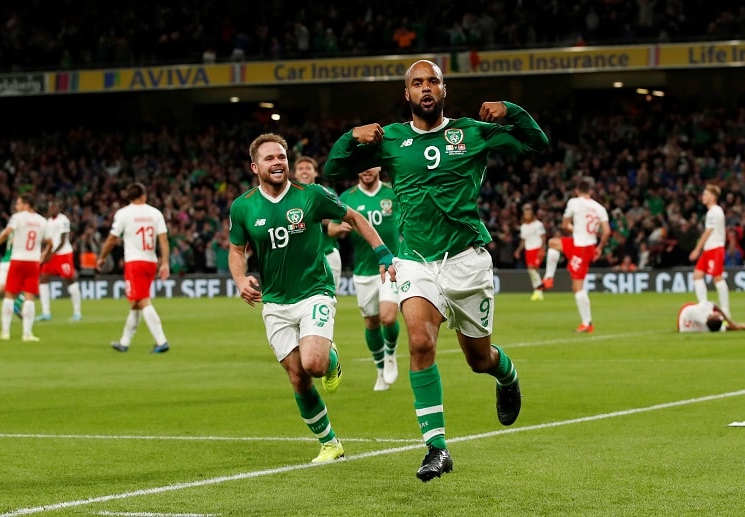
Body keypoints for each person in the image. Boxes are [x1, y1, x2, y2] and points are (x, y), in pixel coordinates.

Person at [324, 59, 548, 482]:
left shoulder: (471, 132)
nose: (425, 88)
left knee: (479, 360)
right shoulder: (390, 139)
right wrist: (349, 139)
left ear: (444, 91)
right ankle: (436, 446)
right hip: (414, 261)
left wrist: (512, 111)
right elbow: (334, 170)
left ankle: (507, 376)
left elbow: (536, 144)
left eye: (433, 82)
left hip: (467, 261)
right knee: (419, 342)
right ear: (405, 94)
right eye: (416, 83)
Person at [228, 133, 395, 464]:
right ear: (254, 166)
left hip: (314, 291)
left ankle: (330, 357)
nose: (277, 163)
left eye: (281, 157)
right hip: (274, 302)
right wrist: (239, 277)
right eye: (269, 159)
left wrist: (382, 251)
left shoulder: (312, 195)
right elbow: (236, 249)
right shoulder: (243, 206)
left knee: (314, 364)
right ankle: (330, 443)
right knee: (298, 376)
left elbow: (354, 217)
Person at [329, 166, 402, 392]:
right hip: (363, 270)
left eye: (370, 166)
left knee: (388, 318)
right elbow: (331, 227)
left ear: (379, 167)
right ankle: (380, 370)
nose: (366, 171)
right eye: (360, 167)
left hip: (391, 265)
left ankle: (390, 354)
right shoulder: (347, 197)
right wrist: (337, 229)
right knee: (371, 322)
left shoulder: (393, 193)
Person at [96, 183, 171, 354]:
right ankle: (124, 342)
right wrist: (165, 262)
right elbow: (164, 240)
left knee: (142, 300)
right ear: (143, 195)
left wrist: (102, 257)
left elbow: (111, 239)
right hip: (150, 262)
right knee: (136, 302)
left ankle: (161, 340)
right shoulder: (155, 213)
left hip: (134, 262)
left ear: (129, 197)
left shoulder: (123, 214)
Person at [542, 176, 610, 333]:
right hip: (586, 245)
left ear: (577, 191)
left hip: (582, 247)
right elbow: (606, 232)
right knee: (553, 242)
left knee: (577, 287)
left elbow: (565, 225)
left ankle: (587, 323)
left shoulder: (573, 202)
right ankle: (548, 278)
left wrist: (577, 229)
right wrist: (600, 247)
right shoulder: (600, 208)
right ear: (591, 191)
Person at [0, 194, 51, 342]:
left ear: (27, 204)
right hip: (33, 261)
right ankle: (27, 334)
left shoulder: (17, 217)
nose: (16, 207)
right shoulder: (42, 220)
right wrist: (44, 255)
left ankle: (5, 332)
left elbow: (7, 232)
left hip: (17, 259)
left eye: (19, 204)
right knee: (29, 297)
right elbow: (50, 242)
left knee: (10, 295)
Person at [293, 156, 343, 291]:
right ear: (295, 173)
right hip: (300, 257)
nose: (304, 171)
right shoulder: (289, 196)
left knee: (330, 299)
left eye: (308, 168)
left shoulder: (328, 193)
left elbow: (337, 221)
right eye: (300, 168)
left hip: (327, 253)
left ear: (316, 172)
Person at [35, 201, 82, 322]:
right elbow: (47, 240)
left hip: (63, 254)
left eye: (54, 207)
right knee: (43, 279)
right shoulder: (48, 221)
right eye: (50, 207)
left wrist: (52, 253)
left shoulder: (64, 220)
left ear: (59, 208)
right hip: (52, 254)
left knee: (70, 279)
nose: (52, 209)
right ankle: (46, 313)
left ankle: (77, 312)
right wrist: (45, 252)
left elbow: (63, 239)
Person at [689, 184, 730, 321]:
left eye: (706, 194)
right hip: (709, 248)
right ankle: (703, 305)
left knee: (717, 277)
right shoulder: (713, 211)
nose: (703, 196)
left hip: (715, 248)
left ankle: (725, 310)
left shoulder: (714, 211)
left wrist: (697, 249)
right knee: (697, 275)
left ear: (713, 197)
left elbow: (708, 232)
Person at [513, 203, 546, 301]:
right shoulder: (523, 227)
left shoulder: (538, 224)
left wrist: (542, 249)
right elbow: (523, 240)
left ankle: (538, 290)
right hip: (528, 250)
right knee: (531, 271)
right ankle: (538, 289)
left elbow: (543, 238)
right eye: (525, 212)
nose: (527, 214)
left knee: (533, 269)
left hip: (537, 248)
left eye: (529, 212)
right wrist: (518, 250)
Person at [677, 301, 745, 332]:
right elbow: (726, 326)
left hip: (684, 311)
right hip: (683, 327)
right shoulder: (710, 329)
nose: (718, 314)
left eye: (717, 315)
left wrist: (727, 320)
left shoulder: (702, 311)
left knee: (699, 304)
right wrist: (739, 326)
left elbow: (714, 304)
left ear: (709, 317)